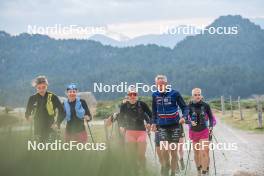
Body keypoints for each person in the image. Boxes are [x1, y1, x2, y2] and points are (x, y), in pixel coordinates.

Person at [151, 75, 188, 176]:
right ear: (156, 85)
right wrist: (154, 122)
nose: (160, 86)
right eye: (158, 84)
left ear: (166, 84)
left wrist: (184, 117)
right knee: (164, 150)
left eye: (162, 84)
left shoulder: (174, 93)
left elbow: (185, 107)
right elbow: (154, 111)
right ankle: (166, 167)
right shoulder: (154, 95)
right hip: (162, 126)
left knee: (173, 151)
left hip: (175, 126)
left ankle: (172, 173)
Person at [118, 87, 152, 173]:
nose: (132, 96)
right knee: (132, 155)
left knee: (141, 154)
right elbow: (120, 118)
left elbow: (151, 115)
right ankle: (135, 171)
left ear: (137, 95)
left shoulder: (142, 104)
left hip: (141, 132)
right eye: (130, 94)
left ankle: (144, 170)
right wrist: (121, 126)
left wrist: (149, 123)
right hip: (129, 132)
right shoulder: (124, 106)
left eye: (135, 94)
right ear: (128, 96)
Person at [25, 76, 64, 141]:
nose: (41, 90)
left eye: (43, 87)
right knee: (39, 149)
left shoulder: (53, 97)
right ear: (36, 88)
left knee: (52, 148)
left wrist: (57, 123)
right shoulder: (32, 98)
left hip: (51, 127)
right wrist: (28, 117)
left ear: (47, 86)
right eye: (39, 88)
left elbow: (62, 111)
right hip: (37, 129)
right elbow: (27, 113)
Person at [188, 88, 213, 176]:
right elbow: (185, 118)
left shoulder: (206, 105)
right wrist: (190, 122)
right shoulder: (189, 106)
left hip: (204, 131)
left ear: (201, 95)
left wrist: (211, 126)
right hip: (194, 132)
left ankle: (204, 172)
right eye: (195, 95)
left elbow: (211, 117)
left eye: (199, 94)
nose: (197, 96)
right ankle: (198, 170)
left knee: (204, 151)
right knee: (197, 153)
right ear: (192, 96)